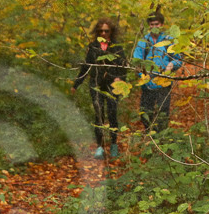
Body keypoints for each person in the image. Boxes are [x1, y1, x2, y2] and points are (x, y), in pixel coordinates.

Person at [72, 17, 127, 159]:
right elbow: (86, 66)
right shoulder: (93, 47)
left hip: (112, 86)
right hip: (96, 85)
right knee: (99, 115)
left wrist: (119, 79)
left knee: (112, 113)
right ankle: (100, 147)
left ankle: (114, 145)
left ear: (111, 32)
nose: (103, 33)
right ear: (97, 32)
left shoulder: (117, 47)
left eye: (106, 31)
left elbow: (124, 67)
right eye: (101, 31)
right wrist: (76, 84)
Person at [132, 9, 183, 133]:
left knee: (163, 113)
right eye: (152, 24)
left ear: (162, 25)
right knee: (145, 113)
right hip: (147, 83)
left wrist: (172, 64)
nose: (154, 26)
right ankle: (150, 134)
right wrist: (143, 76)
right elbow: (137, 61)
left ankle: (162, 138)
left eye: (157, 24)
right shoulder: (143, 42)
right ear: (149, 26)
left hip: (164, 82)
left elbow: (179, 59)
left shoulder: (169, 40)